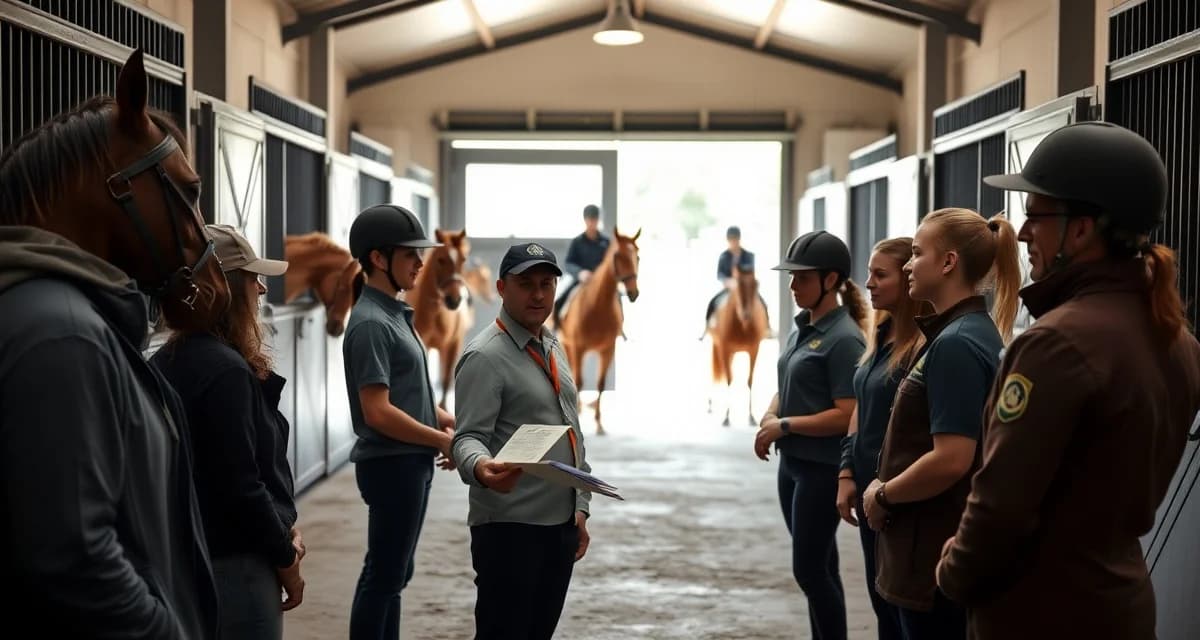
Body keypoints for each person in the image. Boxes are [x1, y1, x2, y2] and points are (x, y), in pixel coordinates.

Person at [935, 122, 1200, 639]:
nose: (1025, 233)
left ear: (1081, 229)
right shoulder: (1177, 339)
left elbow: (1000, 506)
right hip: (1120, 603)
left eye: (1036, 216)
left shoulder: (1055, 344)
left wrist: (952, 572)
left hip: (1039, 611)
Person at [0, 57, 225, 639]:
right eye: (186, 196)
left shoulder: (68, 319)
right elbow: (76, 557)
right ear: (118, 185)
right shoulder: (62, 333)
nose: (198, 230)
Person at [862, 208, 1021, 639]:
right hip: (925, 551)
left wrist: (883, 495)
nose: (909, 264)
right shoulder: (959, 333)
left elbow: (952, 459)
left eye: (916, 253)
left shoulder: (956, 343)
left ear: (948, 263)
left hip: (930, 556)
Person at [152, 224, 304, 639]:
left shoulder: (166, 360)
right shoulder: (226, 371)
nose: (262, 290)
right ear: (228, 287)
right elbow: (242, 486)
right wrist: (284, 553)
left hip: (187, 558)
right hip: (236, 566)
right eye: (253, 278)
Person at [452, 242, 592, 640]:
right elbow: (468, 437)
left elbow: (572, 429)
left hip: (558, 526)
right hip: (510, 530)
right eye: (525, 283)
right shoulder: (485, 356)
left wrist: (579, 507)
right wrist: (481, 466)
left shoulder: (551, 345)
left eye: (547, 284)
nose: (538, 294)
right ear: (500, 287)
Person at [343, 204, 458, 639]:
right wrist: (439, 440)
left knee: (394, 574)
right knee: (385, 578)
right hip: (392, 463)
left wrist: (452, 424)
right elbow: (378, 411)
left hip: (408, 461)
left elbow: (412, 398)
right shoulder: (372, 323)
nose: (420, 263)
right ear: (379, 258)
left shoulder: (393, 313)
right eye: (411, 255)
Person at [754, 230, 870, 640]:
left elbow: (847, 414)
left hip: (820, 469)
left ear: (831, 280)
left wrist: (784, 426)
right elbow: (789, 381)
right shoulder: (802, 326)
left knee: (809, 570)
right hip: (794, 465)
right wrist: (771, 413)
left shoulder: (844, 339)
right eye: (792, 277)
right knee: (821, 568)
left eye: (801, 278)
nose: (792, 286)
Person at [835, 237, 928, 640]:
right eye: (869, 273)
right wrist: (845, 471)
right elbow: (859, 409)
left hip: (896, 495)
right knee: (880, 607)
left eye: (880, 274)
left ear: (908, 278)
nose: (868, 283)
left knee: (898, 611)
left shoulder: (922, 348)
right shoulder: (881, 332)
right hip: (868, 490)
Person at [553, 204, 610, 325]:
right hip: (581, 279)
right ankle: (557, 325)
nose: (592, 223)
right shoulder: (577, 242)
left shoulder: (606, 242)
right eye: (590, 219)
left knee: (616, 297)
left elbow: (609, 263)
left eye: (594, 219)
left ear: (598, 220)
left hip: (600, 281)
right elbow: (568, 262)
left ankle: (618, 326)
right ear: (585, 220)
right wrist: (580, 273)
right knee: (561, 298)